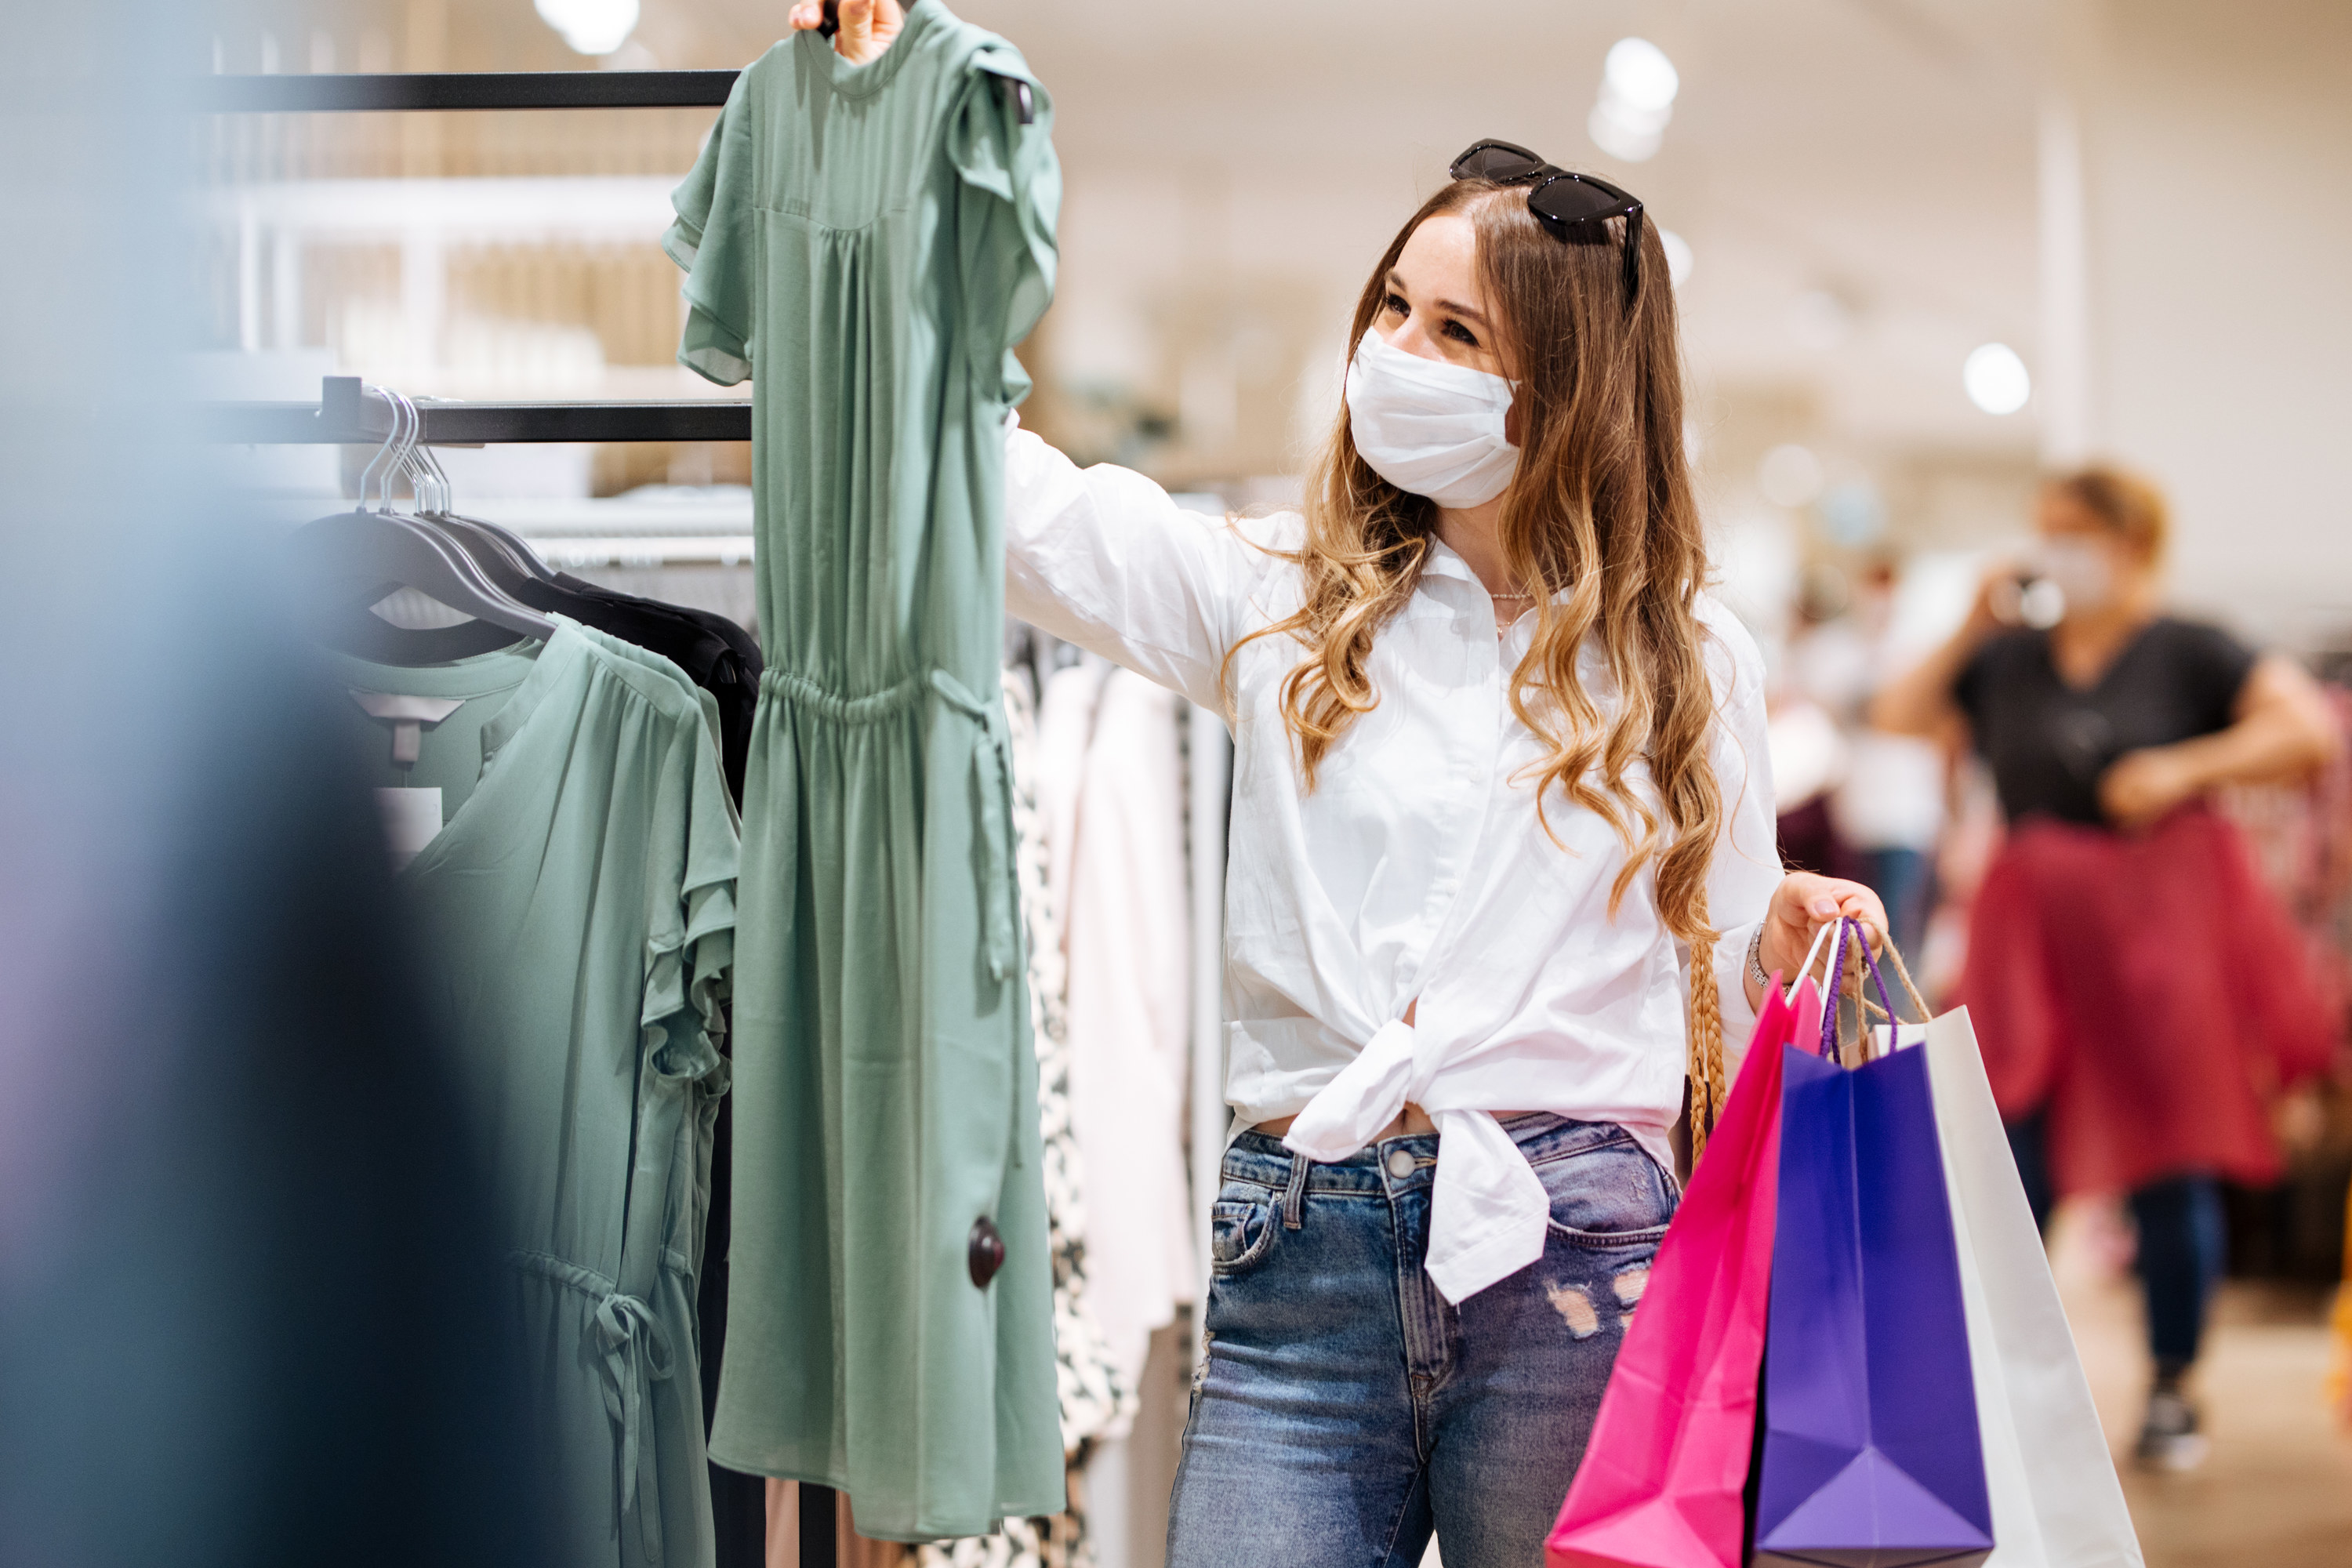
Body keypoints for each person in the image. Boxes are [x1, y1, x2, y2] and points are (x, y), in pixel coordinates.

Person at [797, 5, 1886, 1563]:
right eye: (1393, 306)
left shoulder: (1685, 652)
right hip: (1299, 1243)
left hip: (1579, 1254)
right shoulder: (1278, 597)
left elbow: (1714, 949)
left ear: (1567, 386)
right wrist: (869, 141)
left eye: (1459, 334)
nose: (1397, 355)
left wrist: (1778, 914)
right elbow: (997, 494)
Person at [1873, 465, 2340, 1470]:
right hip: (2030, 950)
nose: (2057, 548)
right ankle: (1989, 1378)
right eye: (2045, 529)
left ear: (2132, 543)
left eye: (2076, 531)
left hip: (2152, 946)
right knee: (2011, 1155)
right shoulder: (2006, 660)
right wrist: (1969, 622)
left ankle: (2173, 1382)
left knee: (2169, 1160)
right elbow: (1898, 714)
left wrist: (2187, 767)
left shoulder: (2192, 648)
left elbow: (2305, 729)